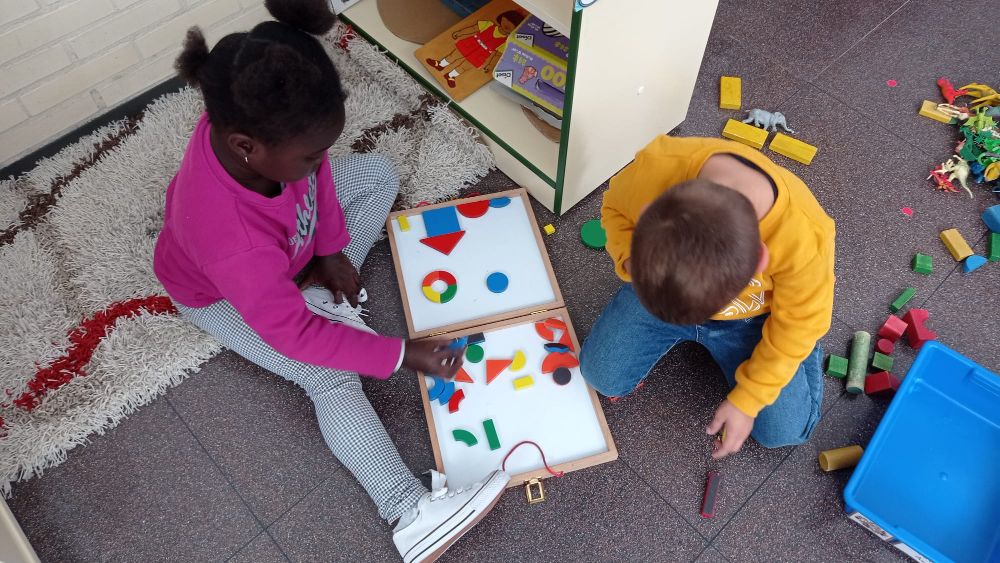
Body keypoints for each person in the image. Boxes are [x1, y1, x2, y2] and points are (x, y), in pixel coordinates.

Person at [152, 1, 507, 561]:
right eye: (312, 154)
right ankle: (409, 514)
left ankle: (319, 293)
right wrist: (400, 354)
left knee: (379, 173)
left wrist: (330, 248)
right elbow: (293, 335)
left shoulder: (253, 120)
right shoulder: (233, 242)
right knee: (328, 374)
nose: (321, 161)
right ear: (246, 147)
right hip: (218, 296)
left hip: (282, 252)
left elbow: (315, 181)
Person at [580, 135, 835, 459]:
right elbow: (614, 208)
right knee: (602, 376)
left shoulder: (805, 236)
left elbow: (799, 323)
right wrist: (635, 263)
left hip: (752, 318)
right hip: (664, 284)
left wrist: (749, 399)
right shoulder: (653, 169)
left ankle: (803, 354)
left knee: (782, 432)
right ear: (646, 213)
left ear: (760, 260)